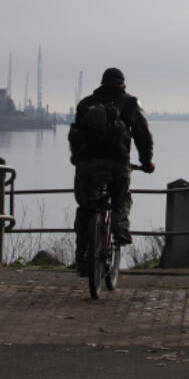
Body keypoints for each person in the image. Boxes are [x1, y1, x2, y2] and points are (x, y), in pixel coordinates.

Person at [68, 67, 154, 276]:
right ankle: (119, 228)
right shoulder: (131, 104)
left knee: (86, 208)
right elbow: (143, 135)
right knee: (121, 197)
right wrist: (146, 161)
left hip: (87, 164)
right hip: (118, 164)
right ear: (122, 83)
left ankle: (83, 258)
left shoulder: (86, 103)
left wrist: (77, 158)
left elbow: (75, 134)